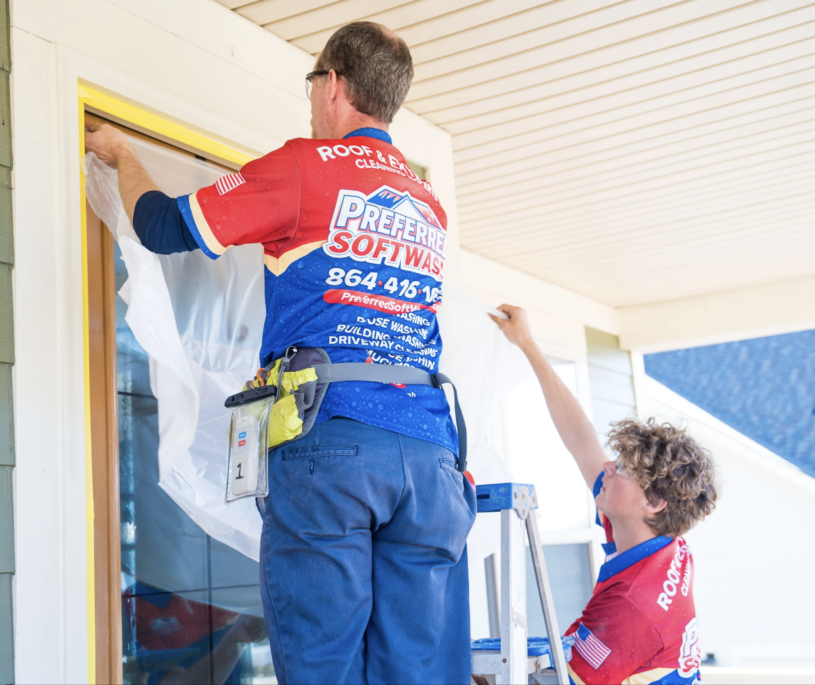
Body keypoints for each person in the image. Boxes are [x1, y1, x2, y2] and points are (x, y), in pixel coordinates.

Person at [85, 22, 475, 685]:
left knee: (324, 663)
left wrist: (122, 154)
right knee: (415, 670)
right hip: (432, 457)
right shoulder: (427, 203)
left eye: (312, 82)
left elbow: (160, 226)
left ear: (334, 84)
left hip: (335, 447)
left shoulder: (303, 167)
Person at [490, 305, 717, 685]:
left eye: (624, 469)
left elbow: (561, 682)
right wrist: (527, 343)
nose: (608, 467)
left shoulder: (632, 606)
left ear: (654, 502)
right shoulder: (658, 539)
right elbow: (581, 439)